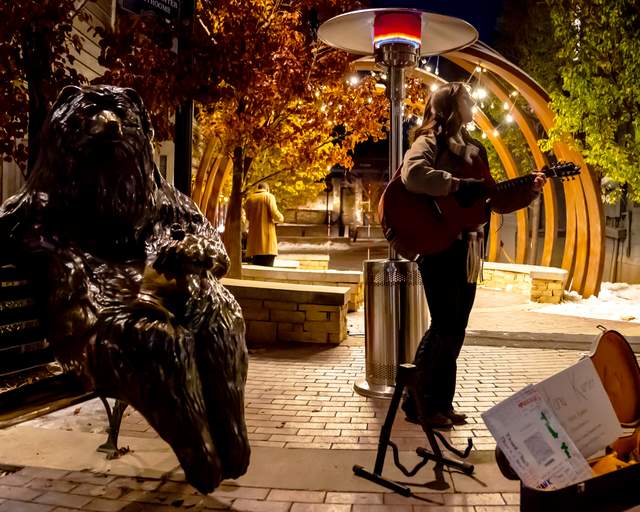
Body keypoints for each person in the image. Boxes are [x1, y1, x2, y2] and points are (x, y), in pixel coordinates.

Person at [400, 82, 546, 428]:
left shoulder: (475, 150)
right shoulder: (430, 142)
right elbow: (412, 174)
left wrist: (530, 190)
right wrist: (454, 185)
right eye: (467, 99)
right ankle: (416, 401)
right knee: (444, 325)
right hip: (439, 245)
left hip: (468, 249)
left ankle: (440, 402)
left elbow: (491, 198)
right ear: (451, 107)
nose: (473, 104)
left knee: (456, 328)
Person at [244, 183, 284, 267]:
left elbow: (248, 217)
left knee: (256, 269)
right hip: (267, 244)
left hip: (254, 244)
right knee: (267, 269)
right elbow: (274, 213)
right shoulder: (269, 197)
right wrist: (281, 218)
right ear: (267, 189)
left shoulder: (249, 199)